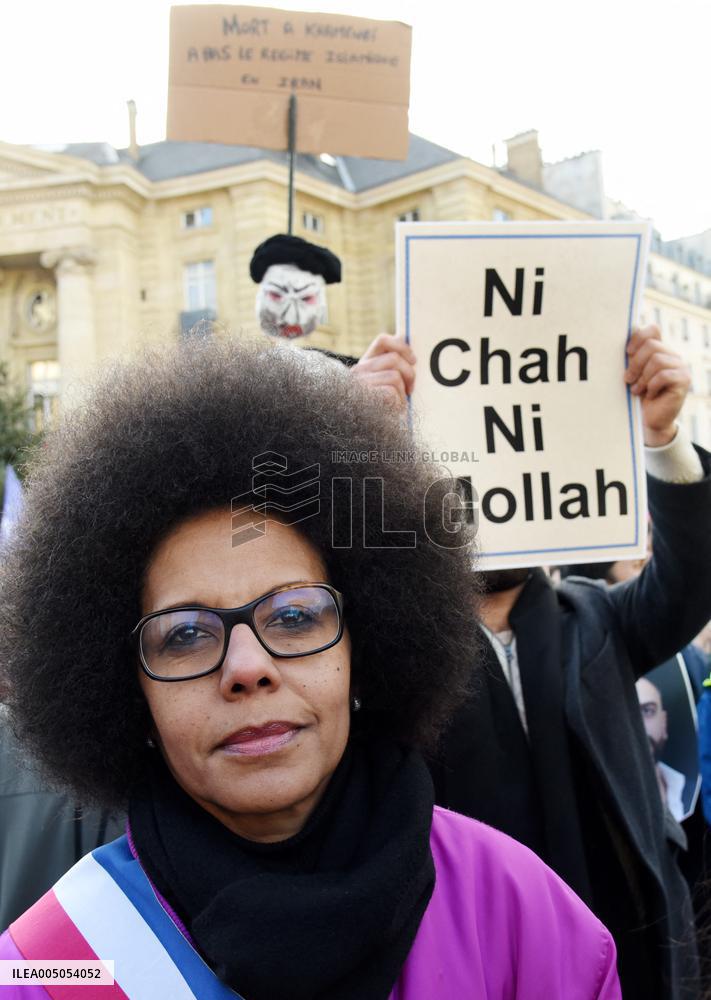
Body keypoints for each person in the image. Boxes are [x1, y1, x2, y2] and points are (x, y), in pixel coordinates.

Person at [0, 340, 620, 999]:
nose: (248, 668)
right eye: (185, 634)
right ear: (129, 692)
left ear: (365, 646)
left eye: (294, 616)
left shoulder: (523, 914)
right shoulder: (47, 969)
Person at [431, 326, 711, 1000]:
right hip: (471, 964)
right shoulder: (396, 645)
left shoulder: (599, 619)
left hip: (631, 954)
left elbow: (691, 576)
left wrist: (661, 438)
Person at [636, 676, 688, 822]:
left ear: (663, 722)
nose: (638, 726)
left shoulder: (689, 786)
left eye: (647, 711)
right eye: (628, 714)